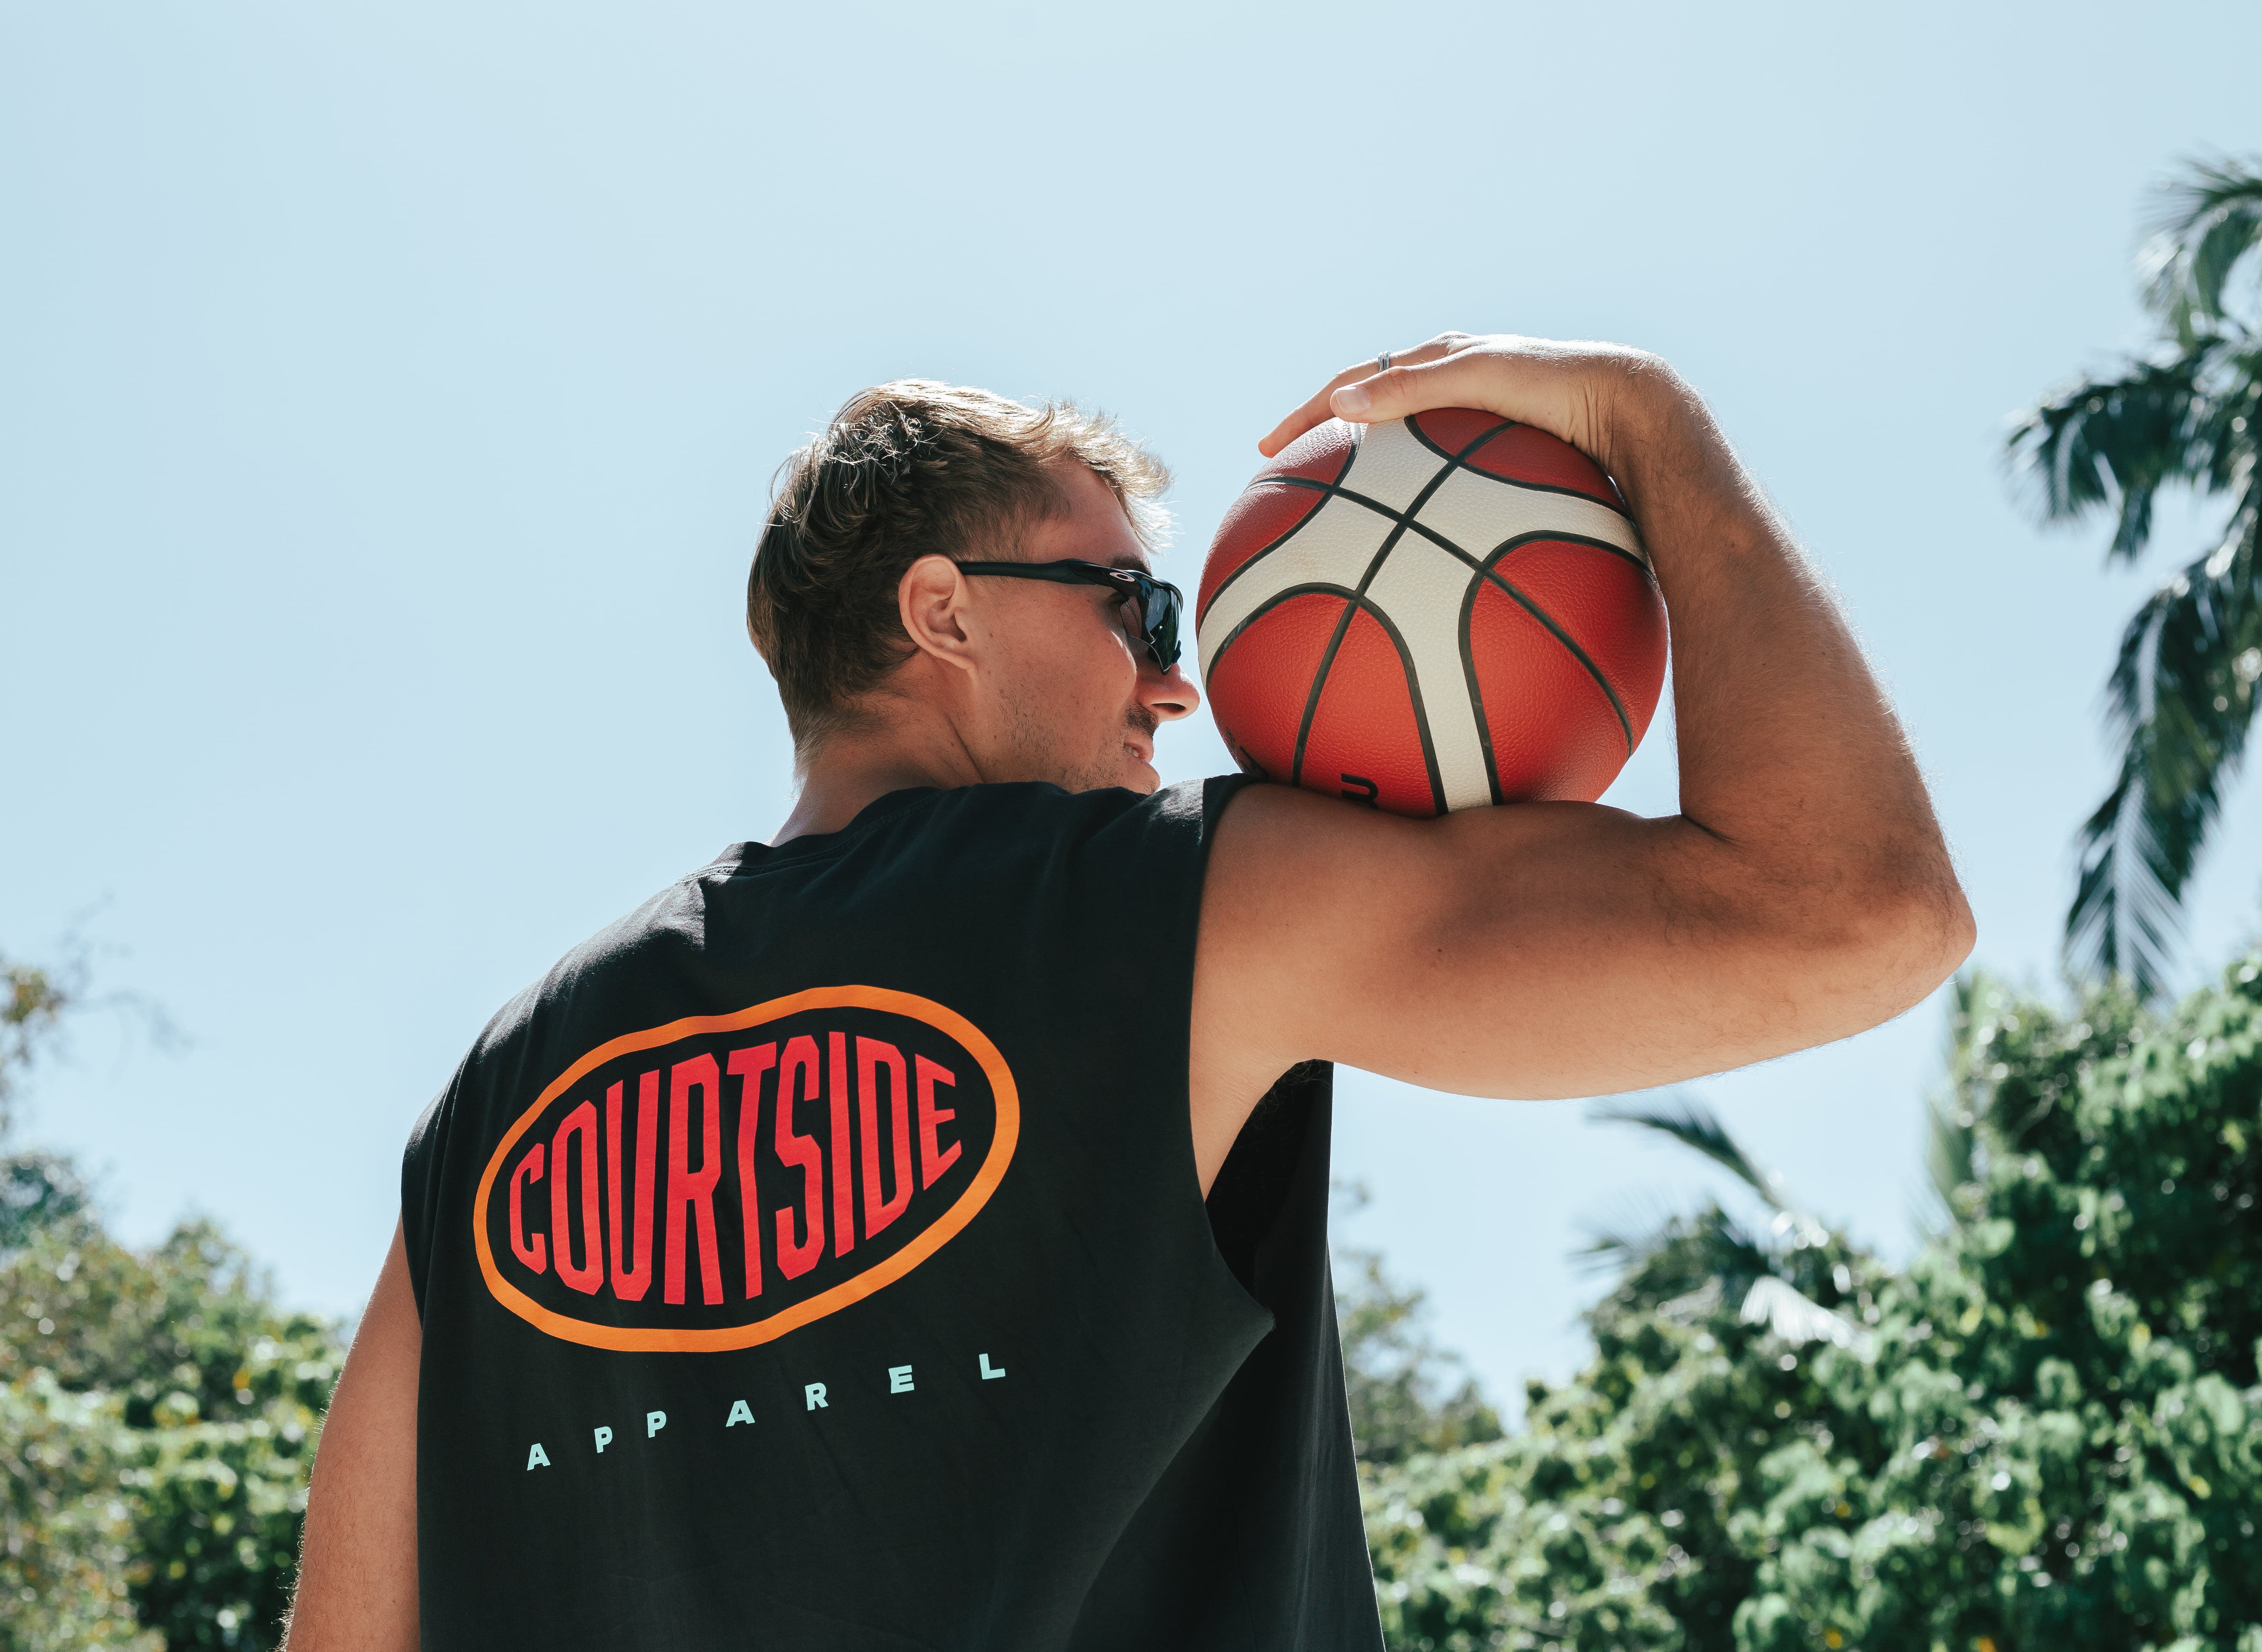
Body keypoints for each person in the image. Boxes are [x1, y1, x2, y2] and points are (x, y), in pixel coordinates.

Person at [281, 334, 1973, 1650]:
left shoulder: (494, 1100)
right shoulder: (1176, 906)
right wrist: (1644, 415)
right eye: (1133, 607)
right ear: (939, 613)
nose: (1178, 682)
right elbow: (1859, 913)